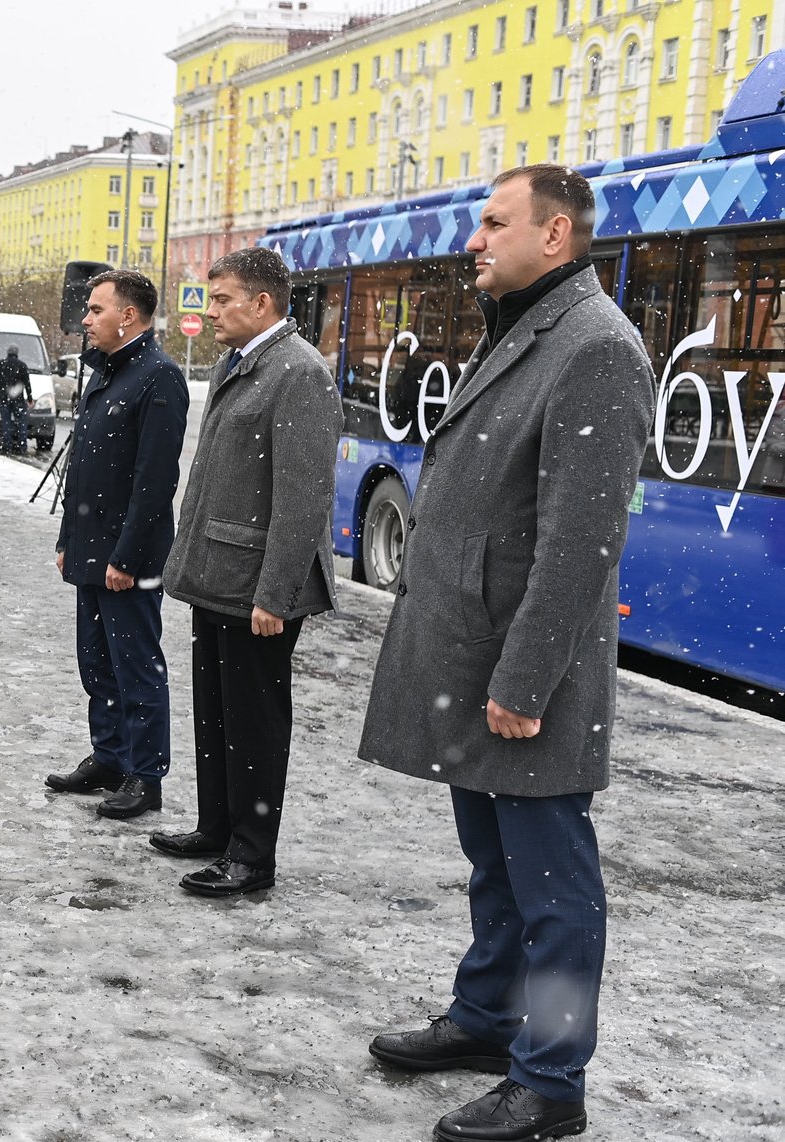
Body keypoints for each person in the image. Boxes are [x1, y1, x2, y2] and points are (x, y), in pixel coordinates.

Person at [361, 166, 655, 1142]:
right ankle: (486, 1020)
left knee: (554, 889)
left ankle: (551, 1077)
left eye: (493, 222)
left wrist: (524, 680)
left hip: (524, 675)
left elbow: (580, 543)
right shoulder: (531, 326)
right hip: (474, 658)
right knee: (493, 865)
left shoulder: (594, 348)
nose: (473, 240)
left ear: (555, 232)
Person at [150, 247, 341, 897]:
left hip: (258, 586)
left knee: (254, 722)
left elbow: (303, 497)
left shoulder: (297, 372)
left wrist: (277, 593)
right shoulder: (244, 362)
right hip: (221, 576)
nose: (214, 309)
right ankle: (217, 827)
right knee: (217, 713)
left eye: (225, 297)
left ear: (263, 304)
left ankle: (252, 855)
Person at [44, 270, 188, 822]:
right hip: (89, 548)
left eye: (96, 310)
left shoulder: (158, 378)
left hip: (128, 558)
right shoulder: (106, 373)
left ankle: (144, 776)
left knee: (136, 667)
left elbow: (153, 482)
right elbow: (83, 465)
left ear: (128, 316)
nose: (85, 319)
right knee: (96, 662)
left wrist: (125, 558)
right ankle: (109, 757)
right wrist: (68, 537)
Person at [0, 344, 31, 454]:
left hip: (4, 398)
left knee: (6, 423)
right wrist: (30, 397)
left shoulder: (0, 364)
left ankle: (7, 446)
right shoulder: (22, 365)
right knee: (22, 423)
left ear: (8, 353)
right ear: (17, 353)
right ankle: (22, 447)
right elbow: (27, 383)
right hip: (18, 399)